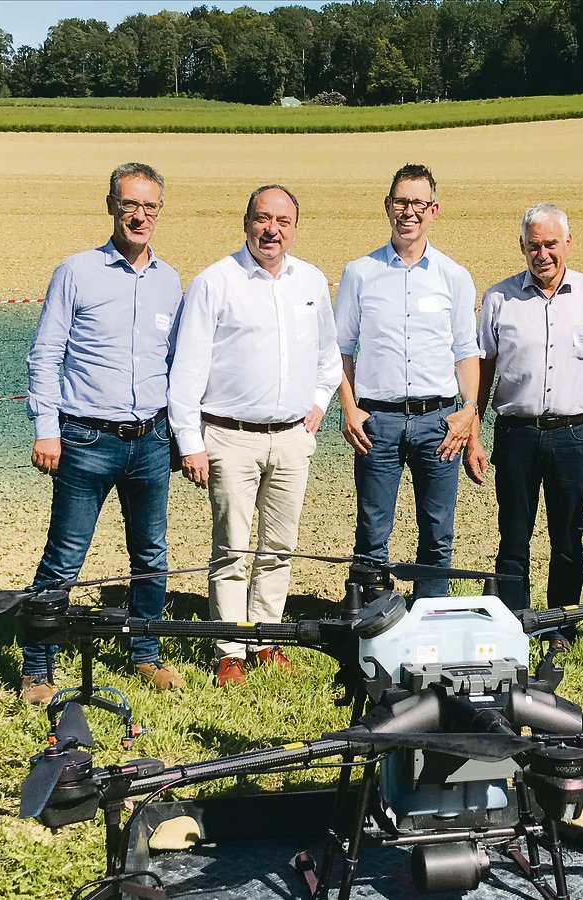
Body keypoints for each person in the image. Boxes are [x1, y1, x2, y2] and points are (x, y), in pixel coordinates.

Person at [23, 162, 185, 706]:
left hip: (151, 439)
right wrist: (47, 429)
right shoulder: (76, 272)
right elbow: (45, 355)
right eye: (130, 204)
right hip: (86, 440)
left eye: (150, 206)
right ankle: (38, 668)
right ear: (111, 206)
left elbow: (174, 363)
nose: (140, 215)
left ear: (159, 211)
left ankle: (145, 654)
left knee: (151, 555)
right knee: (65, 557)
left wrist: (179, 436)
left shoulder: (168, 280)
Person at [169, 185, 341, 687]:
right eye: (263, 219)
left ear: (295, 227)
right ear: (246, 222)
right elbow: (187, 369)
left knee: (279, 548)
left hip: (291, 439)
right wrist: (190, 442)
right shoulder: (215, 283)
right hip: (230, 438)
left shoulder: (310, 281)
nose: (272, 230)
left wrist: (318, 403)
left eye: (283, 221)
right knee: (232, 550)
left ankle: (265, 639)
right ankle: (229, 649)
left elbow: (328, 356)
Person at [464, 203, 583, 641]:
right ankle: (513, 628)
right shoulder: (499, 299)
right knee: (513, 538)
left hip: (574, 437)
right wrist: (473, 434)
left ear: (567, 243)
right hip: (516, 436)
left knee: (568, 538)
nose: (543, 254)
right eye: (533, 246)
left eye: (551, 244)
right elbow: (483, 371)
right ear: (522, 246)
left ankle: (561, 627)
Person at [334, 163, 480, 599]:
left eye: (418, 203)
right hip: (377, 423)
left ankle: (428, 617)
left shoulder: (454, 276)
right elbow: (340, 348)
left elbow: (465, 351)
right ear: (387, 206)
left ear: (434, 210)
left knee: (437, 534)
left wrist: (469, 411)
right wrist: (349, 408)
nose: (409, 212)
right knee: (371, 533)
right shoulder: (359, 273)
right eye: (401, 202)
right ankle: (371, 618)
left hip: (439, 424)